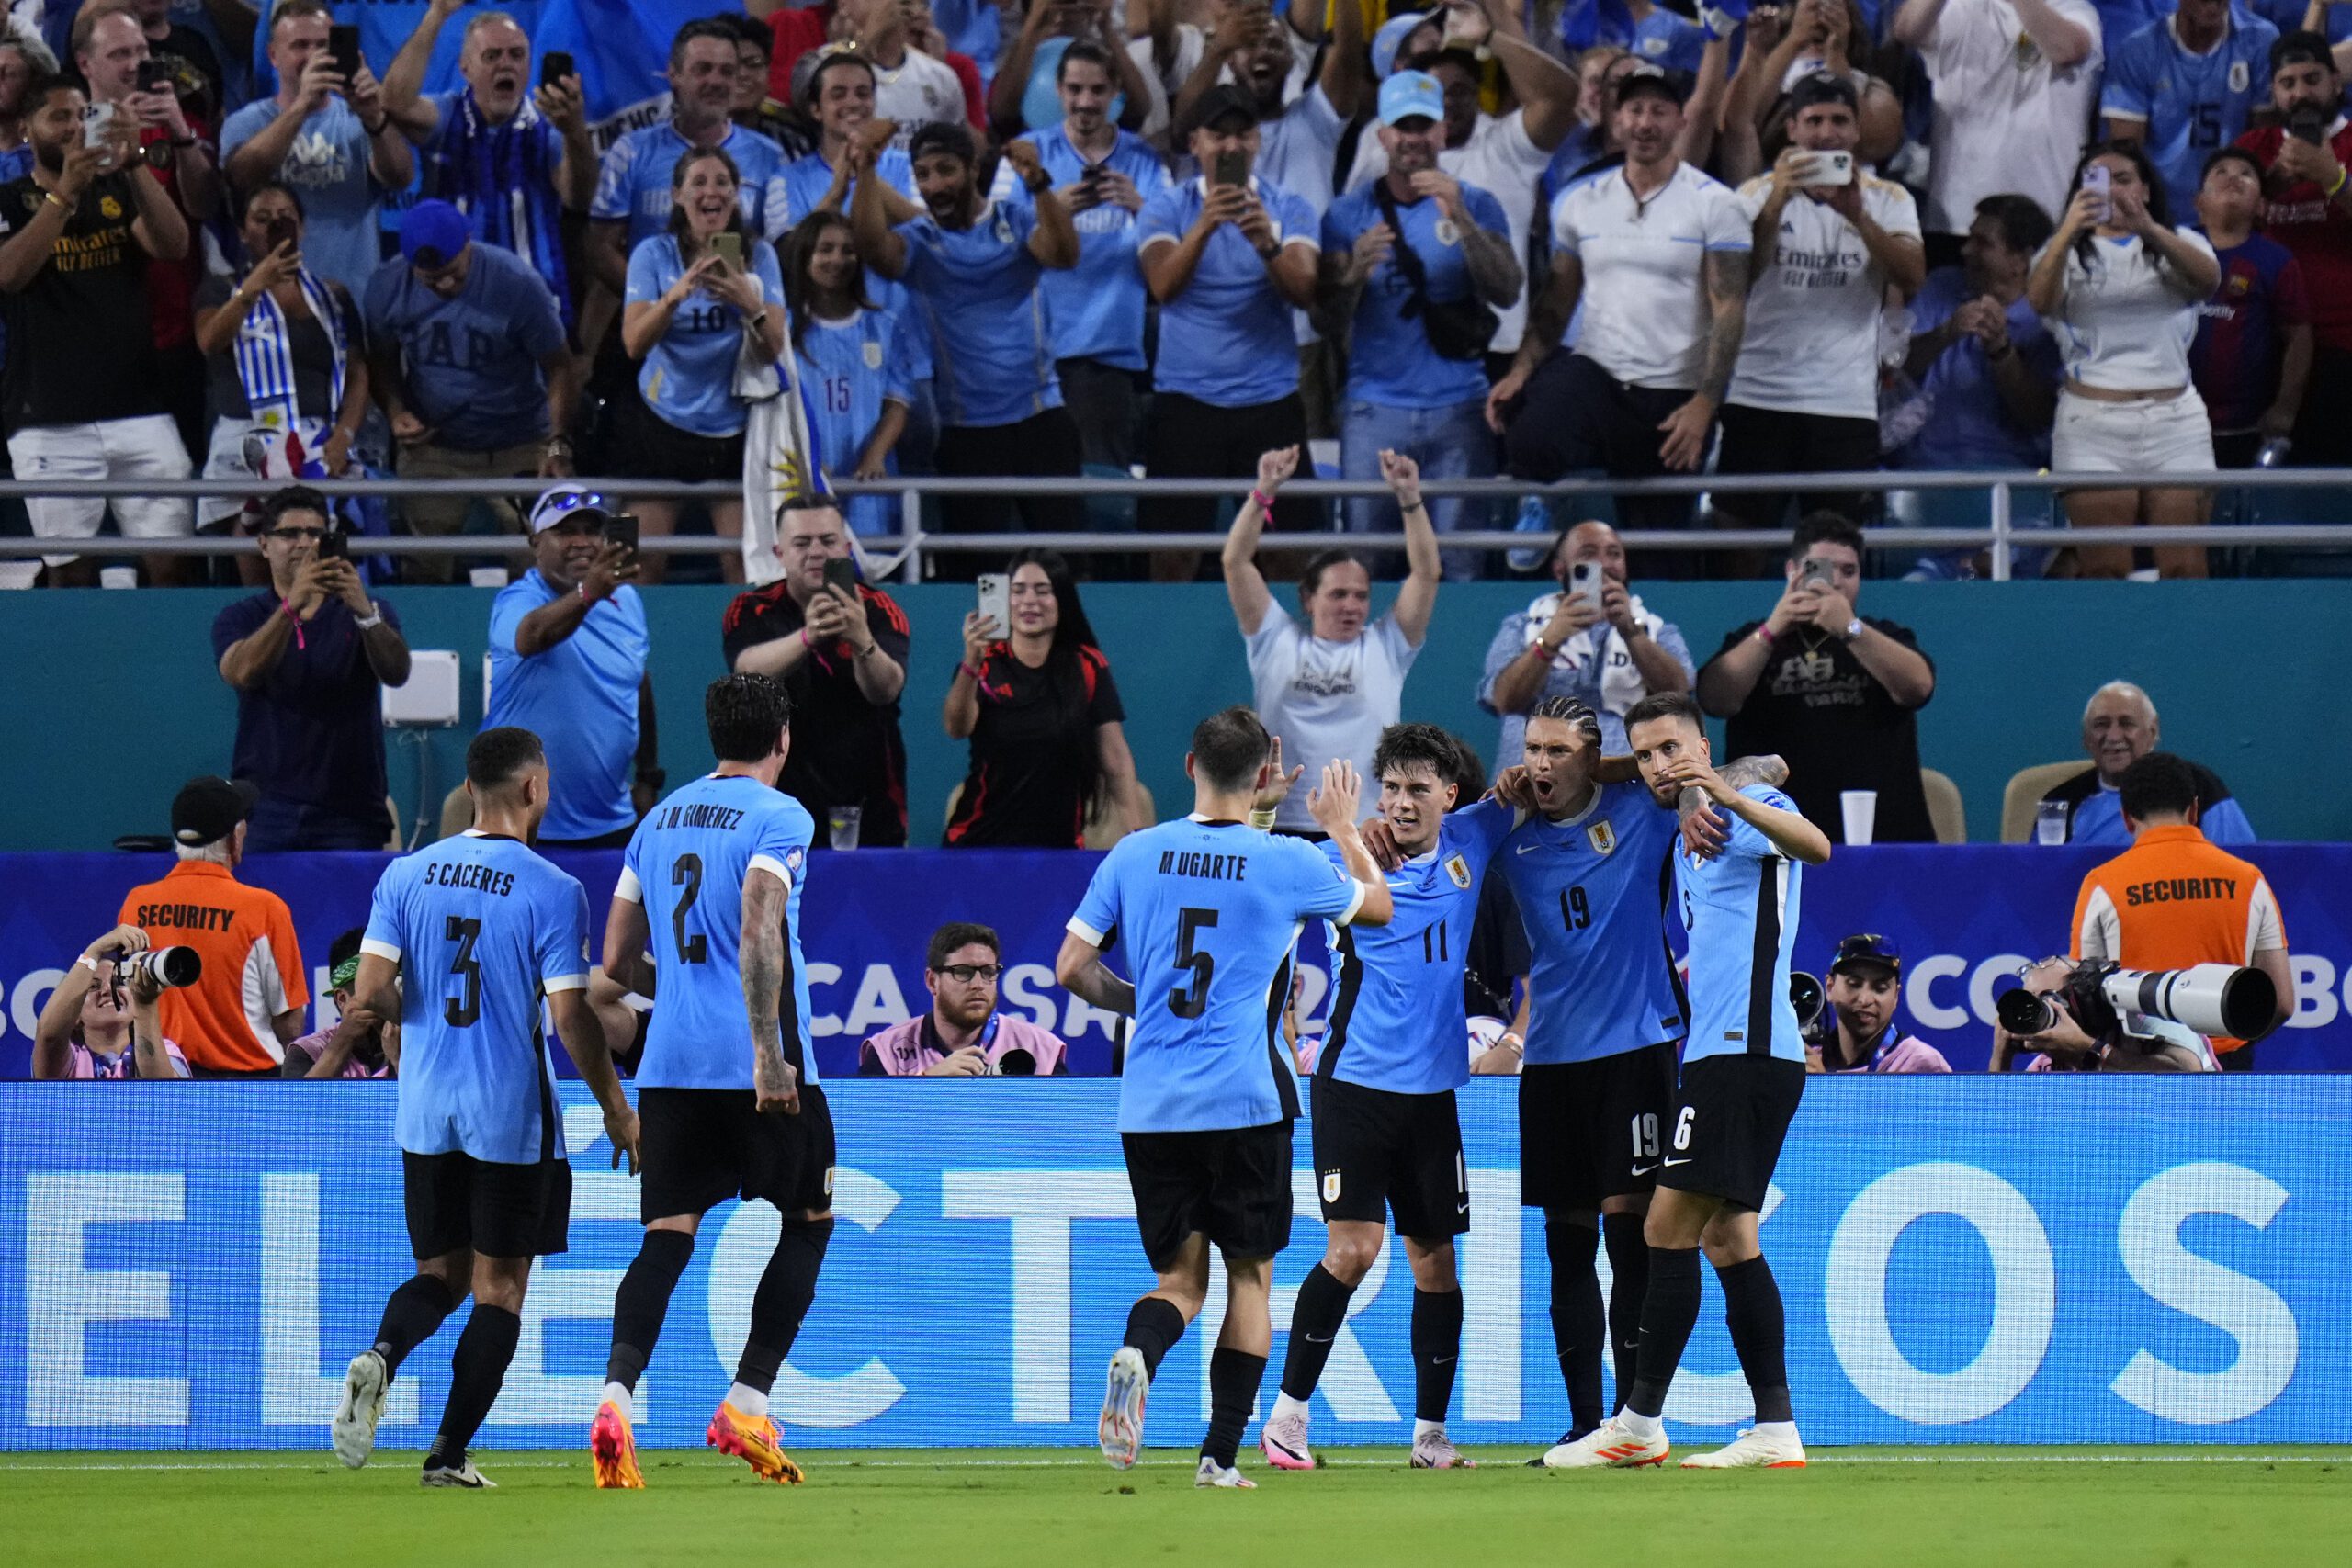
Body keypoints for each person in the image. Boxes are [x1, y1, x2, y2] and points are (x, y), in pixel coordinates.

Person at [1056, 709, 1394, 1488]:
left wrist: (1142, 1002)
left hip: (1152, 1103)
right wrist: (1342, 828)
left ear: (1188, 764)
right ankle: (1218, 1457)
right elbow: (1377, 907)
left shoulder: (1133, 853)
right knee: (1249, 1279)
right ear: (1264, 769)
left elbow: (1072, 966)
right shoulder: (1284, 860)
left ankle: (1140, 1350)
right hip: (1246, 1100)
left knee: (1181, 1281)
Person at [331, 726, 639, 1490]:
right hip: (510, 1115)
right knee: (500, 1287)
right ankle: (447, 1454)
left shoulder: (407, 874)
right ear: (535, 788)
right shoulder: (553, 888)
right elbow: (570, 1016)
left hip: (425, 1108)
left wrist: (421, 1005)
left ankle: (382, 1354)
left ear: (469, 788)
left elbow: (368, 995)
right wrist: (615, 1104)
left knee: (440, 1272)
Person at [1545, 692, 1831, 1470]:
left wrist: (1725, 790)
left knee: (1664, 1229)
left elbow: (1817, 845)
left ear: (1703, 743)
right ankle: (1775, 1427)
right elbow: (1691, 776)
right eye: (1644, 755)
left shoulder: (1747, 806)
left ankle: (1637, 1424)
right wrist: (1688, 788)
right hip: (1725, 1053)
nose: (1658, 765)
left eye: (1671, 747)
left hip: (1744, 1051)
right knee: (1729, 1236)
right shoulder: (1688, 815)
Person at [589, 675, 831, 1491]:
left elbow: (616, 965)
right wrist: (766, 1049)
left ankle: (616, 1396)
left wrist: (689, 982)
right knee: (809, 1218)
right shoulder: (779, 814)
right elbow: (761, 918)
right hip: (761, 1065)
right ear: (783, 739)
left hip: (670, 1066)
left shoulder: (657, 821)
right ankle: (747, 1400)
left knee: (667, 1234)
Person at [1257, 723, 1508, 1474]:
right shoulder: (1339, 859)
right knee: (1354, 1247)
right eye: (1390, 788)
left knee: (1436, 1264)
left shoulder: (1474, 836)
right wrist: (1322, 821)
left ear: (1449, 794)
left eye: (1417, 789)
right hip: (1356, 1084)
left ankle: (1430, 1435)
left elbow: (1545, 783)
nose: (1400, 803)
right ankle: (1287, 1420)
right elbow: (1356, 898)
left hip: (1433, 1093)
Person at [1458, 698, 1687, 1459]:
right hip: (1551, 1060)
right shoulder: (1510, 834)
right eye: (1532, 748)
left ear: (1594, 755)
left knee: (1630, 1240)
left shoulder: (1644, 808)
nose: (1541, 762)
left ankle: (1632, 1420)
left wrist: (1621, 766)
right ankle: (1585, 1419)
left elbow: (1764, 769)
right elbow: (1434, 832)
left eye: (1560, 749)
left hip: (1635, 1049)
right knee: (1565, 1247)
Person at [1490, 69, 1750, 533]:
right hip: (1599, 375)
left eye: (1658, 111)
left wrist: (1704, 404)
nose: (1645, 123)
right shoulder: (1581, 202)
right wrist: (1522, 369)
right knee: (1529, 436)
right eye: (1634, 110)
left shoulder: (1716, 204)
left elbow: (1729, 307)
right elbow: (1556, 302)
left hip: (1672, 391)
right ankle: (1548, 513)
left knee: (1659, 548)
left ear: (1680, 123)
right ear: (1616, 122)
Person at [1317, 71, 1520, 581]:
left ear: (1443, 133)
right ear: (1383, 135)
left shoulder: (1478, 202)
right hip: (1376, 408)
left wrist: (1464, 221)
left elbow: (1507, 289)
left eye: (1424, 126)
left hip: (1458, 406)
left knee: (1460, 563)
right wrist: (1352, 274)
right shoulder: (1347, 214)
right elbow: (1326, 321)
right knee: (1365, 565)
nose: (1413, 139)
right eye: (1402, 127)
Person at [0, 73, 194, 588]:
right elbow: (10, 274)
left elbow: (174, 246)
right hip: (49, 418)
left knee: (171, 565)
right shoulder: (7, 200)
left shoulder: (118, 189)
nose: (72, 128)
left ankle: (164, 665)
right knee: (70, 573)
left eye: (81, 115)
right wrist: (64, 194)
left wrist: (134, 167)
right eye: (57, 116)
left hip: (140, 408)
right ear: (26, 129)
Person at [852, 120, 1082, 549]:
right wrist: (865, 168)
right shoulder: (919, 242)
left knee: (1065, 562)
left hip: (1041, 419)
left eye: (945, 170)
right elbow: (871, 248)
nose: (935, 185)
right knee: (981, 574)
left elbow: (1065, 254)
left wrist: (1039, 183)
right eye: (923, 175)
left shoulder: (1015, 219)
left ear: (974, 169)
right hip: (967, 432)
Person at [1716, 73, 1924, 529]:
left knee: (1832, 544)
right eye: (1814, 120)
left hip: (1843, 400)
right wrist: (1776, 203)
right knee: (1737, 539)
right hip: (1759, 392)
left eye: (1839, 120)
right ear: (1792, 129)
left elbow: (1912, 276)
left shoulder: (1889, 199)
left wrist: (1857, 217)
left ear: (1856, 131)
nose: (1827, 133)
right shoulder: (1753, 194)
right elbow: (1733, 282)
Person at [1133, 84, 1322, 577]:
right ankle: (1170, 650)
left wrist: (1266, 245)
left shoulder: (1288, 207)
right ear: (1195, 143)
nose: (1232, 147)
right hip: (1186, 401)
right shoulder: (1166, 207)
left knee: (1286, 551)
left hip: (1269, 402)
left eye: (1244, 135)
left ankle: (1293, 651)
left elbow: (1303, 290)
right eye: (1219, 136)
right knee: (1173, 553)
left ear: (1258, 142)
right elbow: (1161, 286)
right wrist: (1205, 226)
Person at [1342, 6, 1585, 377]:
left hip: (1495, 345)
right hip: (1398, 349)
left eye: (1462, 91)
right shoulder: (1381, 144)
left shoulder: (1505, 145)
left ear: (1477, 94)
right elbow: (1350, 227)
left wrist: (1491, 38)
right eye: (1438, 92)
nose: (1450, 102)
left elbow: (1562, 99)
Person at [2026, 142, 2222, 580]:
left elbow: (2208, 282)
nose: (2112, 190)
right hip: (2092, 425)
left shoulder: (2182, 241)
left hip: (2175, 421)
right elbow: (2039, 300)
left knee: (2185, 567)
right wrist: (2070, 229)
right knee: (2106, 570)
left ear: (2147, 190)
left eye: (2124, 179)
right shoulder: (2061, 253)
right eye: (2098, 180)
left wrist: (2147, 228)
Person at [1227, 446, 1437, 836]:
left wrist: (1409, 498)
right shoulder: (1274, 638)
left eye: (1360, 596)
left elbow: (1426, 573)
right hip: (1280, 823)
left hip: (1365, 827)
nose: (1351, 606)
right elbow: (1236, 561)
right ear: (1308, 599)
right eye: (1338, 595)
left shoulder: (1387, 645)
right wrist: (1264, 491)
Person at [363, 200, 578, 581]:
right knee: (422, 567)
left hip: (520, 441)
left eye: (453, 274)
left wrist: (556, 443)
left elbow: (560, 367)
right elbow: (380, 360)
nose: (445, 285)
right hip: (436, 444)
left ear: (468, 244)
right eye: (431, 280)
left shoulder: (517, 284)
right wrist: (396, 412)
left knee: (544, 563)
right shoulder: (387, 286)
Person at [1696, 513, 1939, 844]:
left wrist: (1849, 629)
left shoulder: (1882, 635)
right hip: (1772, 833)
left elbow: (1918, 687)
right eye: (1821, 569)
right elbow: (1716, 699)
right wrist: (1773, 628)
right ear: (1792, 572)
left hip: (1878, 835)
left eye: (1849, 571)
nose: (1836, 581)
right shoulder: (1753, 639)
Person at [994, 39, 1168, 476]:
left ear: (1115, 94)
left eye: (1097, 90)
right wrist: (1049, 209)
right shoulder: (1024, 155)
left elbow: (1178, 248)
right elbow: (992, 240)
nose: (1085, 102)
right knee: (1036, 485)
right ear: (1057, 90)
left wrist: (1140, 207)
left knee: (1101, 488)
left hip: (1107, 356)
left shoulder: (1145, 161)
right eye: (1074, 89)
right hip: (1030, 354)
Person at [619, 146, 787, 584]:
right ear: (677, 194)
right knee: (640, 565)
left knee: (743, 565)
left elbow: (773, 349)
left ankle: (748, 651)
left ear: (736, 195)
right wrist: (677, 294)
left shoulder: (760, 257)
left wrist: (748, 303)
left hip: (733, 430)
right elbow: (634, 343)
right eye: (698, 182)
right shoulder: (652, 254)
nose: (710, 192)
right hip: (660, 425)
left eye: (721, 183)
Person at [212, 486, 411, 850]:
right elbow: (240, 672)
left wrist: (365, 613)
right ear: (263, 545)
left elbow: (397, 672)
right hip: (266, 809)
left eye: (316, 534)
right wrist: (291, 606)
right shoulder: (240, 616)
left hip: (352, 811)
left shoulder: (370, 607)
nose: (304, 543)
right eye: (289, 534)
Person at [2069, 750, 2292, 1068]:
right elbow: (2281, 1002)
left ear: (2126, 818)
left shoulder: (2102, 884)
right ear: (2195, 810)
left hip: (2140, 1068)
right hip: (2228, 1068)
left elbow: (2085, 1001)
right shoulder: (2249, 880)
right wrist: (2225, 1049)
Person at [379, 0, 595, 315]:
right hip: (453, 304)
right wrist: (437, 15)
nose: (505, 65)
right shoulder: (447, 117)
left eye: (516, 55)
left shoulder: (549, 127)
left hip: (532, 307)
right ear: (465, 68)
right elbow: (395, 102)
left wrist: (576, 132)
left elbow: (579, 199)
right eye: (492, 56)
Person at [1886, 195, 2064, 573]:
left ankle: (1966, 571)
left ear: (2022, 259)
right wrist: (1945, 334)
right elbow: (1897, 369)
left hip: (2010, 484)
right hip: (1921, 477)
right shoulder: (1942, 286)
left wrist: (2001, 351)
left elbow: (2037, 416)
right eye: (1969, 237)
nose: (1965, 250)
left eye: (1983, 243)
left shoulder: (2047, 316)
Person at [722, 500, 913, 848]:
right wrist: (808, 637)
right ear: (779, 552)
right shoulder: (751, 608)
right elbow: (746, 671)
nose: (815, 552)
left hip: (870, 796)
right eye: (802, 543)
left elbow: (886, 690)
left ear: (847, 549)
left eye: (827, 541)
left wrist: (861, 639)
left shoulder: (879, 608)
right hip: (778, 796)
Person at [74, 5, 220, 455]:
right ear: (85, 64)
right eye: (120, 53)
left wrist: (178, 133)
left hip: (175, 337)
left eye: (140, 50)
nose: (135, 62)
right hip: (96, 342)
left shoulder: (183, 127)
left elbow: (204, 205)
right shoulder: (70, 135)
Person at [190, 186, 369, 542]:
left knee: (318, 556)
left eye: (286, 216)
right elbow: (210, 341)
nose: (276, 223)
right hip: (245, 443)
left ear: (301, 228)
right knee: (257, 555)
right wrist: (256, 284)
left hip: (317, 441)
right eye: (261, 218)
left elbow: (358, 373)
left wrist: (344, 435)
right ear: (242, 232)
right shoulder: (220, 289)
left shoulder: (333, 297)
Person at [484, 485, 657, 851]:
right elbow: (532, 635)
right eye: (565, 532)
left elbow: (638, 683)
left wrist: (647, 775)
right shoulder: (517, 599)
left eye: (591, 531)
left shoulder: (626, 600)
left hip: (612, 820)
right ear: (535, 543)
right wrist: (587, 593)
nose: (581, 542)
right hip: (521, 824)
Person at [944, 548, 1148, 847]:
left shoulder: (1088, 666)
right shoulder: (984, 665)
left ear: (1061, 599)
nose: (1029, 602)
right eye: (1018, 591)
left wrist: (1137, 837)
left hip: (1059, 847)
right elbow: (957, 728)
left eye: (1043, 591)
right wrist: (970, 663)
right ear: (1004, 599)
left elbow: (1115, 758)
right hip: (979, 843)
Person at [116, 774, 307, 1076]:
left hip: (164, 1083)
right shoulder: (265, 909)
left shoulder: (137, 904)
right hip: (251, 1088)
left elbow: (129, 999)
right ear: (236, 835)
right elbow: (291, 1025)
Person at [220, 0, 413, 296]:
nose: (313, 56)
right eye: (300, 45)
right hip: (277, 303)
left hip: (353, 296)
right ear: (273, 55)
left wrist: (374, 117)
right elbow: (242, 178)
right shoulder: (245, 123)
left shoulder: (358, 117)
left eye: (323, 45)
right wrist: (302, 107)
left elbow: (401, 176)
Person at [586, 17, 790, 298]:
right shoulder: (631, 151)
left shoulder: (771, 157)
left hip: (739, 328)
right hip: (658, 331)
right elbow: (600, 248)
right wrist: (656, 309)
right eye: (703, 69)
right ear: (674, 75)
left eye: (727, 71)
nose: (716, 81)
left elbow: (782, 253)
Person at [1892, 0, 2101, 260]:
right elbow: (1907, 30)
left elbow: (2067, 49)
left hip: (2043, 214)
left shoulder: (2074, 9)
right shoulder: (1960, 8)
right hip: (1957, 215)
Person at [2232, 33, 2352, 464]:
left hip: (2343, 345)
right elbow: (2221, 229)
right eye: (2287, 83)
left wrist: (2333, 179)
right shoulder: (2253, 149)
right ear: (2273, 92)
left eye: (2312, 79)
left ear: (2336, 83)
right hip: (2261, 345)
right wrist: (2270, 185)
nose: (2300, 93)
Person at [1480, 521, 1693, 762]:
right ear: (1561, 571)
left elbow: (1679, 696)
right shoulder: (1522, 626)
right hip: (1534, 779)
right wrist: (1549, 640)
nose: (1603, 565)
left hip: (1625, 782)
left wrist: (1631, 633)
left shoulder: (1656, 630)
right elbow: (1505, 701)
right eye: (1588, 554)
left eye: (1614, 555)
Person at [783, 210, 921, 536]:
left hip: (868, 483)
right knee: (812, 574)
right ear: (805, 256)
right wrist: (806, 459)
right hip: (804, 477)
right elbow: (773, 408)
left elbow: (898, 402)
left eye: (848, 250)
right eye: (826, 249)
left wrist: (874, 455)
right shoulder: (783, 328)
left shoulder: (883, 326)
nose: (838, 259)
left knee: (865, 579)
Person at [2099, 0, 2278, 221]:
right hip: (2162, 216)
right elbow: (2127, 153)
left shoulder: (2261, 40)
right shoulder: (2138, 50)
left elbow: (2265, 140)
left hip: (2232, 215)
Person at [2190, 148, 2312, 469]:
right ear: (2198, 203)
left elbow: (2299, 338)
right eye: (2221, 172)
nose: (2233, 177)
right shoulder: (2174, 247)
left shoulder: (2277, 261)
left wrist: (2285, 408)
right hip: (2175, 421)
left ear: (2261, 205)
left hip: (2246, 426)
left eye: (2246, 173)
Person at [2039, 681, 2257, 844]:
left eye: (2127, 724)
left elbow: (2240, 864)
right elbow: (2038, 878)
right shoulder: (2061, 802)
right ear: (2086, 739)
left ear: (2153, 733)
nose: (2113, 736)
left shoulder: (2200, 787)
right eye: (2101, 725)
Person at [859, 922, 1071, 1075]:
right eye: (962, 972)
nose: (978, 984)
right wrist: (926, 1084)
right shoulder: (888, 1051)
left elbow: (1065, 1129)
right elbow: (862, 1128)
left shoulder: (1039, 1049)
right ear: (932, 981)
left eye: (988, 972)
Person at [779, 50, 921, 225]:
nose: (853, 103)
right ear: (816, 109)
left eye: (863, 94)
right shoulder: (788, 179)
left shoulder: (908, 165)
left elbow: (930, 235)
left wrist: (865, 171)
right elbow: (788, 249)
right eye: (838, 95)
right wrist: (836, 193)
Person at [30, 923, 189, 1080]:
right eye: (93, 986)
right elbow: (49, 1036)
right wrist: (94, 951)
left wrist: (145, 1005)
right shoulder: (71, 1063)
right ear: (75, 1014)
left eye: (118, 982)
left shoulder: (168, 1051)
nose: (107, 990)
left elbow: (163, 1094)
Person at [1805, 934, 1953, 1073]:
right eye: (1854, 984)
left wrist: (1819, 1087)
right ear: (1830, 988)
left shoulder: (1922, 1063)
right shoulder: (1808, 1060)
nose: (1865, 1000)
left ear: (1896, 996)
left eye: (1880, 988)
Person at [283, 928, 401, 1078]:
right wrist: (344, 1040)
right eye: (372, 992)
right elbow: (300, 1101)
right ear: (342, 999)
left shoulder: (416, 1043)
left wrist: (398, 1059)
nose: (385, 1000)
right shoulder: (307, 1051)